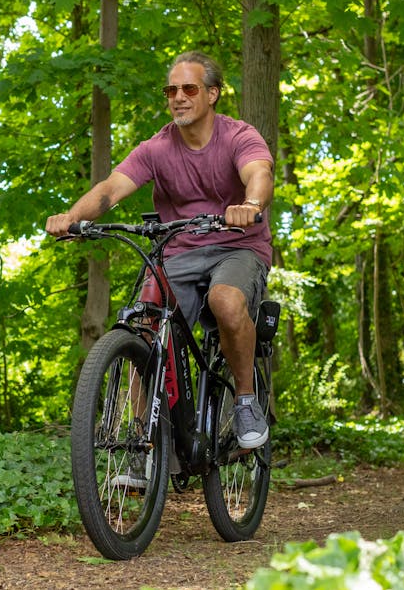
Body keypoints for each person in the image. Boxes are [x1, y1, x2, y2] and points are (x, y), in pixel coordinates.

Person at [46, 50, 274, 454]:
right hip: (179, 251)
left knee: (225, 300)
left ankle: (244, 400)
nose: (178, 97)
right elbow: (111, 189)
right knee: (145, 329)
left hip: (236, 247)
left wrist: (251, 206)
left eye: (189, 88)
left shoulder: (238, 135)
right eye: (171, 90)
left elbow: (258, 173)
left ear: (212, 94)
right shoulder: (156, 147)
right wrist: (72, 217)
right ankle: (142, 446)